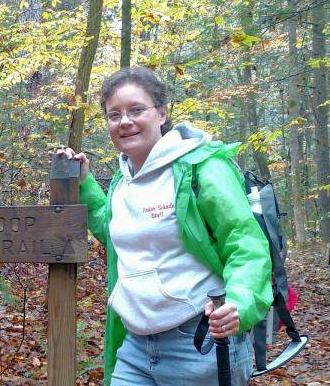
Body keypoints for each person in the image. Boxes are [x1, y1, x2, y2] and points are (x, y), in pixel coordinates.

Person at [57, 67, 273, 385]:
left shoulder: (202, 168)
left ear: (161, 113)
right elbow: (116, 234)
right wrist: (87, 184)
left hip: (199, 347)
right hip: (134, 348)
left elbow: (244, 242)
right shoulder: (122, 180)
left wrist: (240, 302)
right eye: (114, 115)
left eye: (136, 110)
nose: (124, 121)